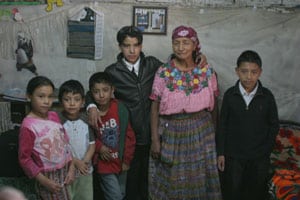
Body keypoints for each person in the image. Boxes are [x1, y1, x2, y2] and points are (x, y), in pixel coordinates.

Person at [86, 25, 208, 200]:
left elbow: (176, 67)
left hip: (154, 134)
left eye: (136, 45)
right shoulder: (112, 72)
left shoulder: (153, 65)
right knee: (130, 181)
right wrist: (91, 106)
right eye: (127, 45)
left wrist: (198, 56)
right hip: (129, 138)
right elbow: (93, 91)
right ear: (120, 47)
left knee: (153, 180)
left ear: (141, 45)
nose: (132, 50)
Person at [149, 25, 221, 199]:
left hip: (201, 132)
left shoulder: (207, 71)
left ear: (195, 45)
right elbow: (154, 106)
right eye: (176, 43)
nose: (181, 47)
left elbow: (214, 105)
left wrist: (214, 136)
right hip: (172, 131)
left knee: (199, 176)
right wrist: (155, 140)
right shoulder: (164, 72)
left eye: (186, 43)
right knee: (172, 178)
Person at [216, 50, 279, 200]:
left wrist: (265, 151)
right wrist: (221, 153)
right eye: (244, 71)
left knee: (255, 192)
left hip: (259, 157)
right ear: (237, 71)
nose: (249, 76)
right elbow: (222, 124)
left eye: (253, 72)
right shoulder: (230, 95)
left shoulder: (267, 97)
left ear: (260, 72)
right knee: (232, 191)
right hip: (234, 157)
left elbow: (273, 125)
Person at [18, 76, 75, 200]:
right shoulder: (28, 126)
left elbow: (65, 143)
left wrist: (71, 167)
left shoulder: (54, 116)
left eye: (50, 96)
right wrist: (44, 181)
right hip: (47, 176)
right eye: (41, 96)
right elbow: (25, 159)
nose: (46, 101)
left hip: (65, 171)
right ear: (29, 96)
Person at [89, 72, 136, 200]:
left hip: (120, 162)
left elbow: (129, 137)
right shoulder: (91, 113)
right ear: (91, 94)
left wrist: (126, 160)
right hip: (104, 164)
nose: (101, 95)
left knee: (121, 194)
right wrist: (99, 147)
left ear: (112, 90)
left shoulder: (120, 109)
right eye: (96, 92)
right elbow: (88, 136)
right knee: (115, 197)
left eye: (105, 90)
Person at [58, 80, 95, 200]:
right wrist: (74, 162)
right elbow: (57, 148)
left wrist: (84, 162)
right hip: (65, 171)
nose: (72, 103)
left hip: (85, 171)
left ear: (83, 102)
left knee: (85, 196)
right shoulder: (57, 122)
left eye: (76, 99)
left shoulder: (86, 121)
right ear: (60, 101)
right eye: (67, 99)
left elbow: (92, 145)